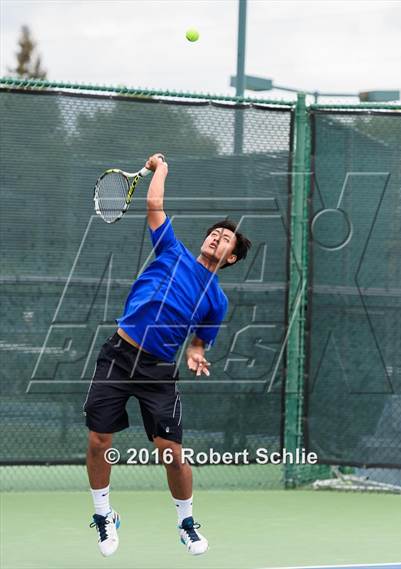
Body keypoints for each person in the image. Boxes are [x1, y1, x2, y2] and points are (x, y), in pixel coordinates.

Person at [84, 153, 252, 557]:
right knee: (97, 440)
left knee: (172, 455)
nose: (216, 237)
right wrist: (161, 170)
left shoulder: (217, 300)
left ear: (230, 258)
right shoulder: (170, 250)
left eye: (225, 238)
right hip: (119, 355)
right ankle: (105, 515)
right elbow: (154, 205)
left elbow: (198, 341)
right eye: (214, 232)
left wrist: (196, 354)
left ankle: (186, 522)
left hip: (158, 373)